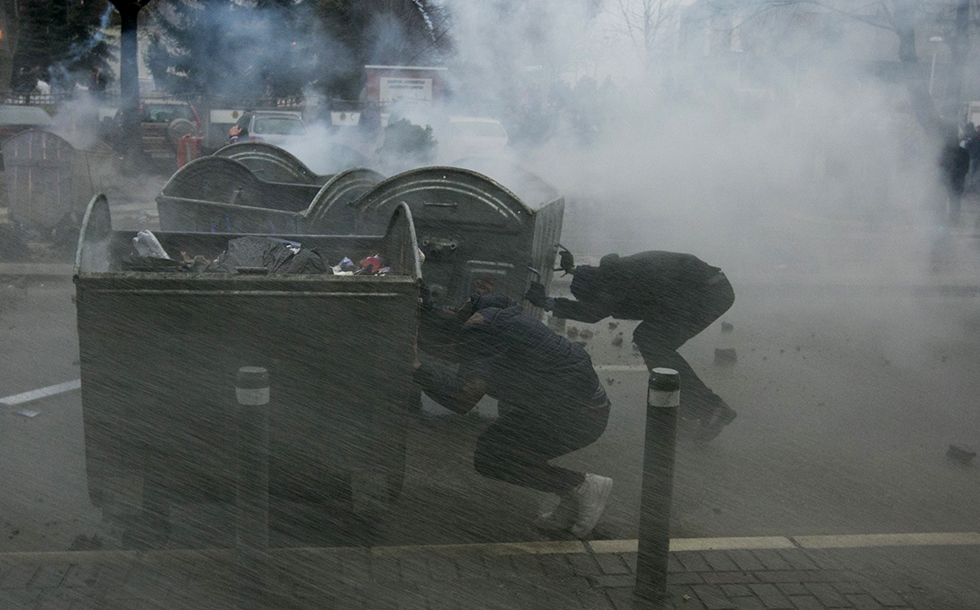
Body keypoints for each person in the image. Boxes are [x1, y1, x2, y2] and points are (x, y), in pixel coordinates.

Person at [414, 293, 614, 538]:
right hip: (584, 407)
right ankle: (572, 493)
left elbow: (462, 400)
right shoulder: (490, 317)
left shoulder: (477, 335)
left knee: (490, 457)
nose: (449, 361)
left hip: (579, 417)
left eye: (440, 354)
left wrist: (417, 369)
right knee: (500, 446)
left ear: (445, 341)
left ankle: (580, 486)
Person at [526, 250, 736, 441]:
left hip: (708, 294)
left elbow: (593, 313)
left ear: (602, 291)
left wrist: (547, 302)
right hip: (704, 290)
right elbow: (595, 283)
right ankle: (691, 403)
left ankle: (710, 407)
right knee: (652, 341)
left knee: (653, 343)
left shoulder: (617, 283)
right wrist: (572, 269)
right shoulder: (613, 273)